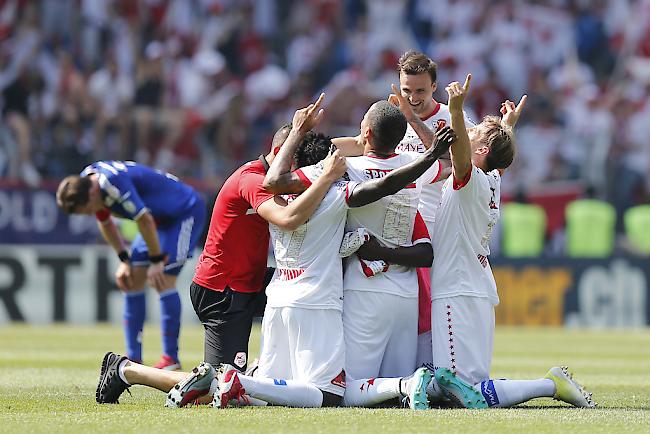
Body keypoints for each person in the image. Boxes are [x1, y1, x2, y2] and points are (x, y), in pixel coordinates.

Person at [168, 96, 457, 410]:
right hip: (320, 301)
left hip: (279, 295)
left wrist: (297, 132)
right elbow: (386, 185)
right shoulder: (337, 190)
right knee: (331, 393)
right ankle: (238, 380)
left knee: (277, 391)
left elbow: (276, 182)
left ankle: (238, 380)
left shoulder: (275, 196)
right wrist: (428, 155)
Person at [93, 96, 347, 404]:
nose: (302, 175)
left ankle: (266, 371)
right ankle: (127, 370)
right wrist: (327, 177)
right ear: (282, 155)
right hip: (223, 292)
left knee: (310, 288)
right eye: (300, 165)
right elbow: (289, 219)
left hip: (249, 281)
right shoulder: (254, 181)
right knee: (217, 388)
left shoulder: (266, 175)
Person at [427, 74, 594, 409]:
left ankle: (549, 385)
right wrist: (507, 126)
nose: (466, 134)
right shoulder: (493, 179)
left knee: (462, 390)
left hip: (457, 289)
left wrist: (456, 110)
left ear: (481, 150)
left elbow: (462, 156)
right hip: (474, 287)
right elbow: (495, 155)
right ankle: (548, 384)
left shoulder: (472, 179)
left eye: (473, 135)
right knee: (464, 387)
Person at [56, 161, 207, 371]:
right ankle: (134, 359)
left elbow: (143, 220)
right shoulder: (88, 181)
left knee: (163, 280)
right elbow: (105, 220)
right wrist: (123, 259)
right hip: (157, 220)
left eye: (88, 209)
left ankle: (171, 358)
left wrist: (156, 261)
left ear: (91, 195)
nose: (92, 213)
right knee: (132, 279)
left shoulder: (111, 183)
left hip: (183, 212)